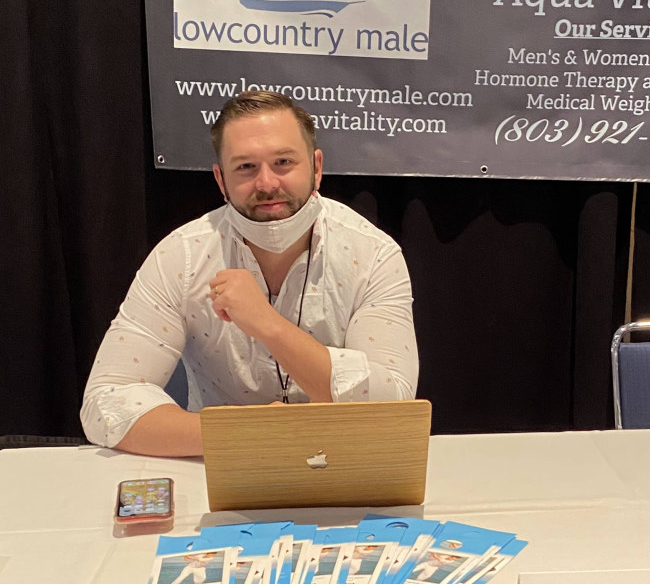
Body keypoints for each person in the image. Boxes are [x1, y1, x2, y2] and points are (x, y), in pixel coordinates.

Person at [81, 90, 418, 457]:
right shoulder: (180, 257)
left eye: (283, 162)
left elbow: (394, 402)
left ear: (316, 167)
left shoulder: (373, 255)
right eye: (245, 167)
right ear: (221, 180)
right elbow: (105, 402)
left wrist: (268, 325)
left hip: (347, 463)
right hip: (219, 463)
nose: (267, 183)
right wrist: (246, 432)